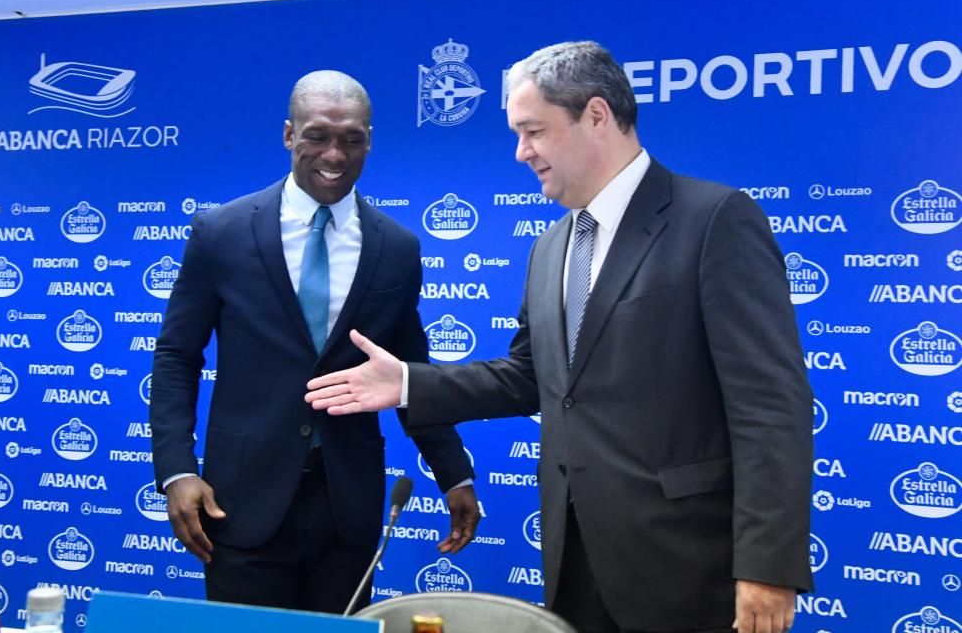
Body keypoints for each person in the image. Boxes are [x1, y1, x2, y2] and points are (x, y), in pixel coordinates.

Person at [306, 42, 814, 633]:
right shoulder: (553, 246)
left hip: (691, 568)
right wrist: (409, 383)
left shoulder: (714, 220)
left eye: (533, 131)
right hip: (574, 559)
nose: (521, 152)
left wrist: (767, 566)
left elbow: (770, 406)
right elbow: (531, 377)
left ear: (596, 115)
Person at [149, 70, 480, 614]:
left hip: (345, 506)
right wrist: (178, 471)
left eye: (352, 138)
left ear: (369, 141)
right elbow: (177, 357)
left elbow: (409, 374)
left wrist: (454, 473)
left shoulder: (396, 247)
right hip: (238, 503)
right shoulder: (220, 233)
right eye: (318, 135)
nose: (335, 153)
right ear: (288, 135)